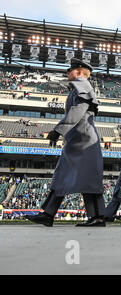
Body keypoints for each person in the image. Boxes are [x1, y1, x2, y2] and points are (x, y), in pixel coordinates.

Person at [25, 58, 105, 227]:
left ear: (79, 72)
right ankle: (48, 214)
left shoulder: (82, 83)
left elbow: (78, 110)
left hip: (84, 140)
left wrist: (58, 130)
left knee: (88, 179)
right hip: (77, 139)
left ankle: (97, 217)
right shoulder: (77, 87)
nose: (68, 72)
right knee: (61, 175)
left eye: (70, 70)